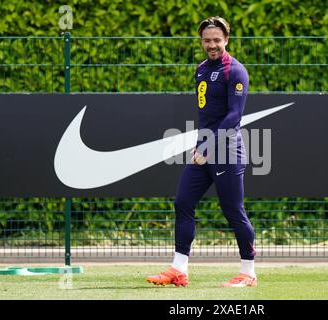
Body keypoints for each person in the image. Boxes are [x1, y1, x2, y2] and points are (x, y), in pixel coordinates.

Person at [146, 16, 256, 288]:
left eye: (217, 40)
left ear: (226, 40)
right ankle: (178, 269)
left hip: (226, 150)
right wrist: (202, 145)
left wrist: (208, 146)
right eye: (207, 40)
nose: (212, 45)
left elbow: (234, 116)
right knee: (183, 202)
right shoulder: (201, 69)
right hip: (203, 151)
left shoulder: (236, 71)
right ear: (201, 41)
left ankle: (248, 273)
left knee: (233, 211)